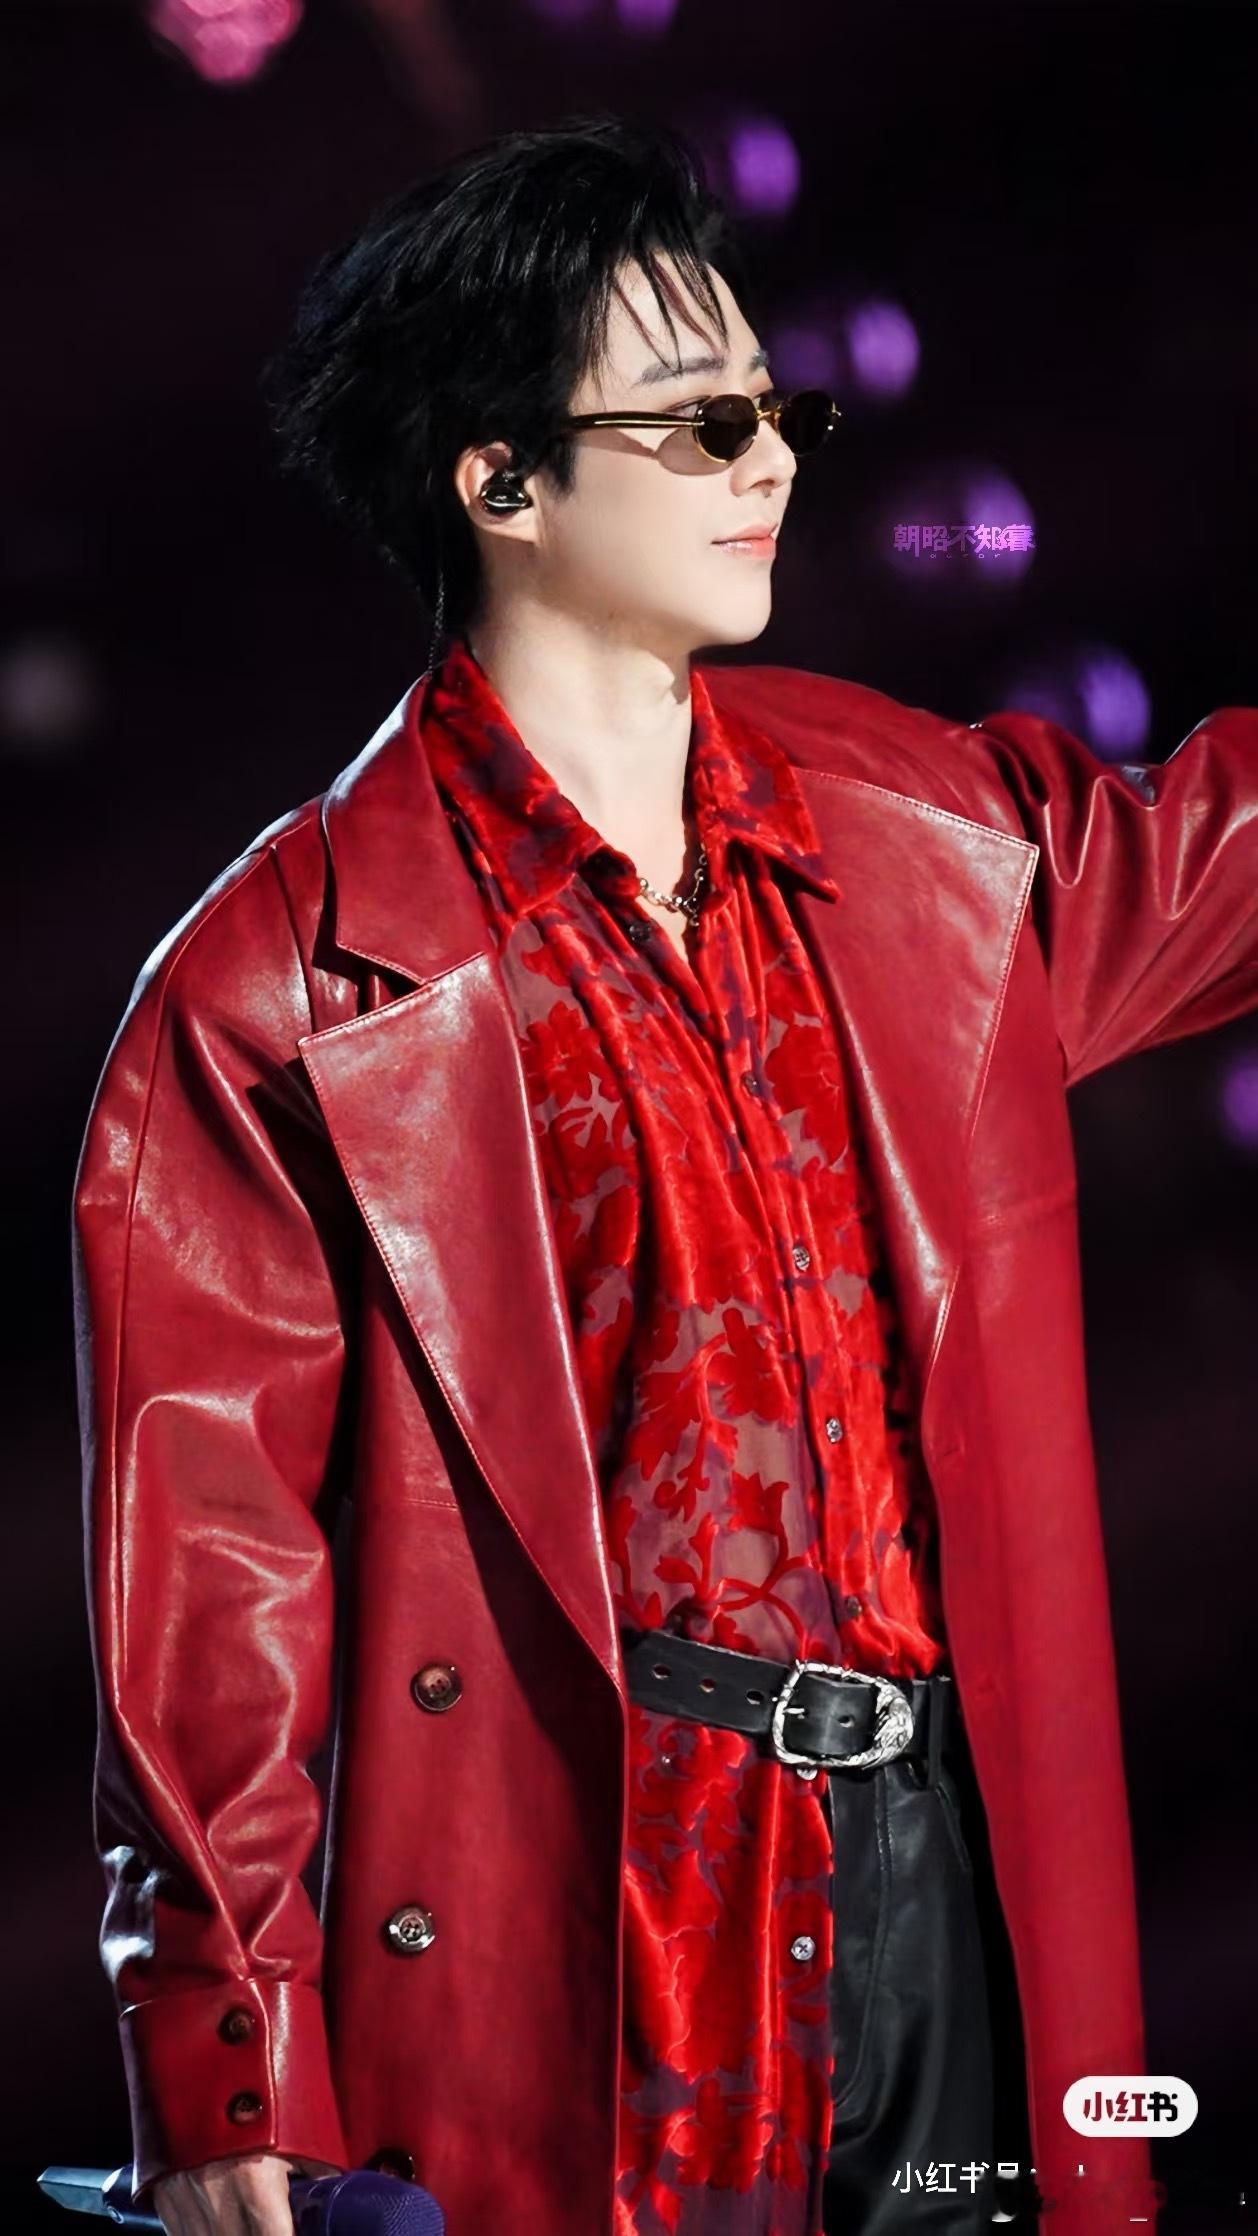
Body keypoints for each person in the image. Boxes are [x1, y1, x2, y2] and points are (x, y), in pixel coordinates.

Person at [72, 113, 1256, 2236]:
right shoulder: (274, 992)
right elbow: (211, 1577)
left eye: (776, 413)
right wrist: (223, 2056)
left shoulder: (921, 830)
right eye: (703, 421)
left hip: (953, 1872)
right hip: (607, 1898)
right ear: (499, 480)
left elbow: (1212, 855)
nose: (769, 460)